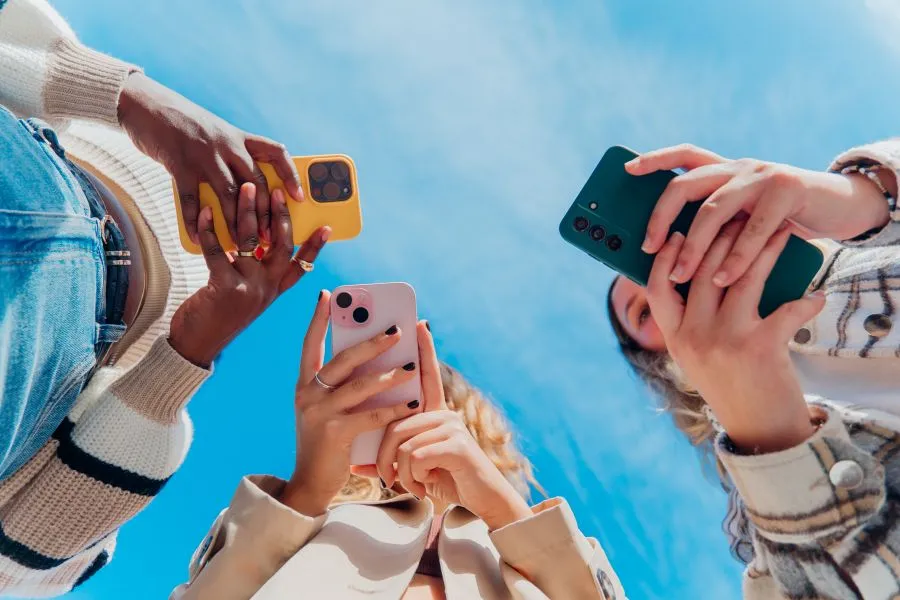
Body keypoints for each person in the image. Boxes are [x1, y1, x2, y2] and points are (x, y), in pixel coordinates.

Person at [0, 0, 327, 595]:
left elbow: (17, 565)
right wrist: (128, 99)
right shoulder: (67, 90)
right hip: (49, 187)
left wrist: (187, 352)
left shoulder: (158, 416)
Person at [171, 292, 625, 600]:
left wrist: (501, 506)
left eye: (421, 407)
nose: (400, 425)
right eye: (376, 408)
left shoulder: (525, 546)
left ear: (471, 430)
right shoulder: (298, 524)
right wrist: (307, 490)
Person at [607, 141, 900, 597]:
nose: (667, 280)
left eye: (671, 252)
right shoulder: (753, 513)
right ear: (651, 360)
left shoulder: (863, 244)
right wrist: (770, 435)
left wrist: (866, 195)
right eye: (644, 311)